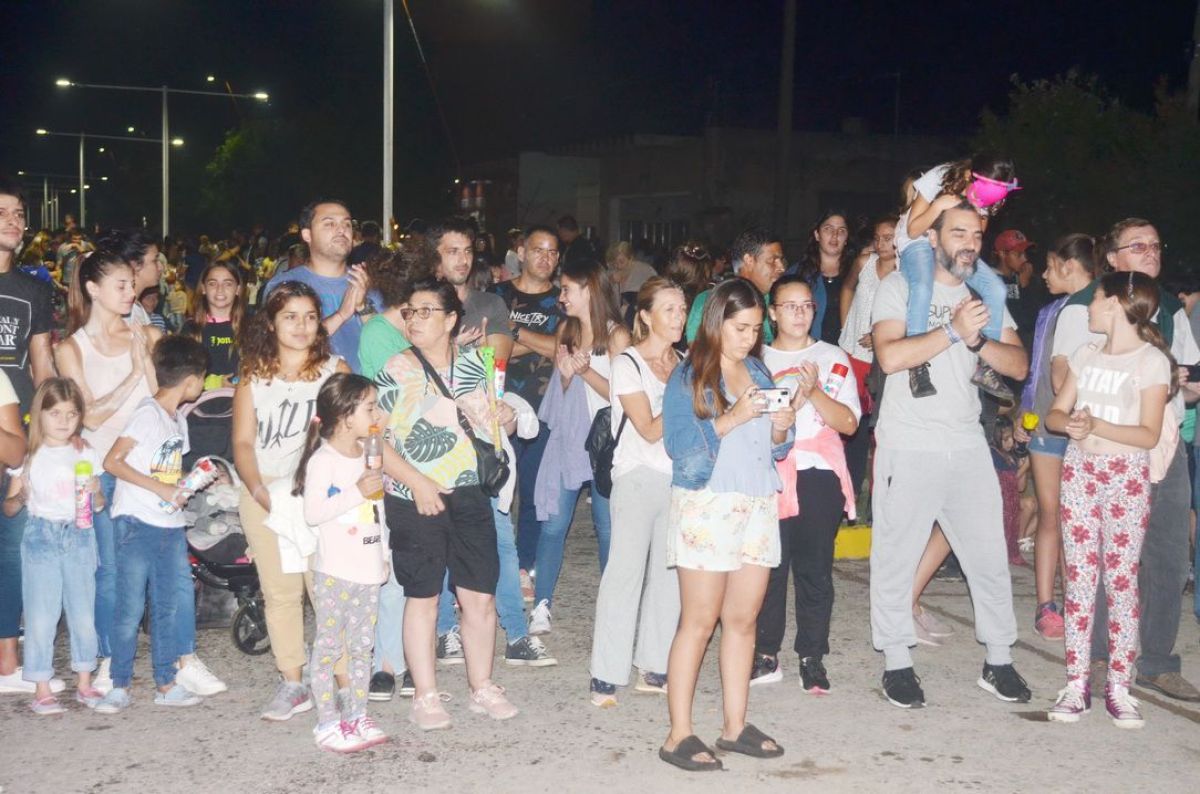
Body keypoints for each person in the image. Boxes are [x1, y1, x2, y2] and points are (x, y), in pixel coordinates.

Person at [869, 199, 1030, 709]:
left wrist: (977, 337)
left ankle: (999, 660)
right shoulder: (898, 287)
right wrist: (950, 332)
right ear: (933, 239)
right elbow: (891, 356)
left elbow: (1020, 366)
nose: (969, 243)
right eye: (958, 232)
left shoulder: (984, 295)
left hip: (965, 444)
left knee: (988, 558)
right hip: (908, 442)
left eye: (977, 236)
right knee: (895, 558)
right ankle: (897, 661)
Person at [659, 278, 793, 772]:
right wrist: (733, 418)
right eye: (740, 327)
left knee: (743, 620)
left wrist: (781, 424)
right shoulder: (691, 374)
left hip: (756, 503)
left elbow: (777, 446)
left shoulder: (757, 368)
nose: (748, 337)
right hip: (708, 504)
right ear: (717, 322)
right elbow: (680, 448)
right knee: (698, 621)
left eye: (756, 328)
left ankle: (735, 726)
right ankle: (678, 734)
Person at [375, 278, 519, 729]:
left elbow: (494, 429)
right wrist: (417, 483)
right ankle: (426, 694)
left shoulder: (479, 363)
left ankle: (481, 686)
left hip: (470, 491)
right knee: (423, 597)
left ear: (451, 319)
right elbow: (375, 441)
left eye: (425, 311)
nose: (414, 320)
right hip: (414, 496)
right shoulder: (395, 370)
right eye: (410, 312)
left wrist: (507, 420)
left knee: (479, 596)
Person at [1072, 219, 1200, 703]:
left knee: (1167, 559)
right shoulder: (1093, 308)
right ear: (1112, 258)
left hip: (1164, 447)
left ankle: (1158, 662)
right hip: (1110, 454)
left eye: (1155, 245)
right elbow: (1072, 378)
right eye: (1138, 246)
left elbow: (1190, 387)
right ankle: (1102, 656)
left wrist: (1182, 381)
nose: (1151, 252)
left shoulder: (1173, 310)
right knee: (1109, 560)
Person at [1044, 271, 1173, 728]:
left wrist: (1096, 425)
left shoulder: (1151, 361)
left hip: (1126, 477)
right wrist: (1073, 425)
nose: (1089, 308)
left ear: (1117, 303)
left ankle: (1120, 685)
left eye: (1096, 299)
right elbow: (1056, 415)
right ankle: (1076, 683)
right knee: (1079, 579)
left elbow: (1148, 433)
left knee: (1120, 581)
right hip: (1080, 470)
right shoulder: (1087, 353)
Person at [426, 218, 555, 668]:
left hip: (481, 441)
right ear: (435, 256)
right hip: (430, 441)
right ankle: (445, 632)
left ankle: (517, 636)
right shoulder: (419, 305)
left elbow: (493, 367)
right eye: (451, 251)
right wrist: (451, 347)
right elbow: (411, 372)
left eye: (466, 251)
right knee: (438, 538)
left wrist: (458, 356)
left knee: (499, 537)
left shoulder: (489, 304)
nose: (461, 259)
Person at [232, 280, 350, 721]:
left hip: (321, 495)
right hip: (266, 492)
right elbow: (243, 443)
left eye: (309, 316)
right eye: (290, 317)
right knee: (280, 593)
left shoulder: (334, 371)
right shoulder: (253, 375)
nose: (301, 327)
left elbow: (350, 434)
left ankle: (343, 683)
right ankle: (293, 682)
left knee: (327, 591)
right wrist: (262, 493)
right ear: (272, 322)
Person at [55, 249, 163, 694]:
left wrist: (145, 361)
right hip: (98, 469)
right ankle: (106, 657)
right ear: (93, 289)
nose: (130, 292)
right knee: (109, 569)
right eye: (121, 284)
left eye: (132, 284)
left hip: (148, 465)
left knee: (155, 564)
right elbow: (91, 417)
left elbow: (160, 398)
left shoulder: (148, 335)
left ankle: (169, 659)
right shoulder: (70, 348)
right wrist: (133, 371)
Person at [750, 275, 860, 693]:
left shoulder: (833, 357)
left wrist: (812, 393)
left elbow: (849, 422)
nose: (799, 313)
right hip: (769, 471)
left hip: (818, 473)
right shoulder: (756, 358)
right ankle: (765, 653)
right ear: (772, 311)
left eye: (806, 305)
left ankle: (812, 656)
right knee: (769, 568)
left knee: (815, 570)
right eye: (789, 305)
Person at [94, 335, 209, 714]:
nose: (202, 386)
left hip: (168, 524)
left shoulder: (176, 420)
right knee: (129, 609)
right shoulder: (148, 413)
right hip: (138, 523)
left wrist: (189, 484)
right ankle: (119, 684)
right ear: (191, 379)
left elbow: (168, 469)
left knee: (166, 607)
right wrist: (159, 487)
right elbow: (112, 461)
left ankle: (165, 682)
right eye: (202, 379)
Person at [588, 278, 685, 706]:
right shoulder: (627, 363)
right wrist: (689, 399)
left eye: (682, 309)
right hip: (637, 476)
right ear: (644, 316)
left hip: (679, 478)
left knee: (669, 577)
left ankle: (654, 664)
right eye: (668, 309)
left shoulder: (684, 362)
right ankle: (605, 672)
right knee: (624, 575)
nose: (679, 317)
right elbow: (646, 429)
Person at [530, 258, 629, 637]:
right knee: (554, 524)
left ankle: (613, 606)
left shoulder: (617, 336)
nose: (561, 297)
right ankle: (541, 604)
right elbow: (559, 399)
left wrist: (585, 371)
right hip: (570, 439)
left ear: (589, 289)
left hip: (604, 443)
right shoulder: (567, 330)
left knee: (607, 527)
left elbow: (624, 397)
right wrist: (568, 377)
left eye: (567, 289)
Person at [294, 373, 390, 752]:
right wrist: (356, 491)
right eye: (370, 407)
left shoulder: (370, 453)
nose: (378, 413)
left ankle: (357, 714)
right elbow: (314, 513)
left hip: (367, 570)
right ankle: (327, 720)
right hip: (335, 573)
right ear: (347, 416)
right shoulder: (324, 460)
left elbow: (378, 510)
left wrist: (384, 553)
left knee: (363, 647)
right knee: (329, 647)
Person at [3, 378, 98, 713]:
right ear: (39, 414)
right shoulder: (30, 455)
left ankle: (85, 681)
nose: (63, 421)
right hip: (41, 536)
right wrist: (21, 495)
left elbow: (97, 504)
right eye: (55, 413)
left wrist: (95, 492)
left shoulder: (84, 451)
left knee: (83, 611)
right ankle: (41, 686)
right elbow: (10, 508)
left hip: (79, 534)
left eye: (71, 414)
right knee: (42, 615)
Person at [1020, 234, 1098, 640]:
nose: (1045, 275)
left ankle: (1078, 601)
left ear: (1070, 265)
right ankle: (1046, 605)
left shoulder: (1103, 305)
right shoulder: (1052, 310)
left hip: (1092, 430)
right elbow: (1040, 373)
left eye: (1050, 267)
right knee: (1053, 515)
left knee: (1079, 520)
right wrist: (1026, 417)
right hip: (1050, 428)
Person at [895, 155, 1018, 401]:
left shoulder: (987, 196)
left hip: (951, 244)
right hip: (918, 241)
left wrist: (975, 211)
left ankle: (985, 368)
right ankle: (917, 366)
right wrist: (940, 205)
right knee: (922, 285)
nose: (985, 201)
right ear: (968, 176)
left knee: (996, 289)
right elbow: (913, 228)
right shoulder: (940, 177)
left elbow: (975, 235)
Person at [0, 178, 56, 695]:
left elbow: (41, 368)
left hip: (14, 439)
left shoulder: (34, 290)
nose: (15, 221)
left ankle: (8, 666)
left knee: (13, 549)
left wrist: (46, 438)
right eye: (4, 212)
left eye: (19, 214)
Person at [491, 225, 564, 601]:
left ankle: (524, 566)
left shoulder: (562, 300)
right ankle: (493, 565)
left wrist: (514, 334)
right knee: (496, 490)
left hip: (546, 410)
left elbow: (564, 348)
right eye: (538, 250)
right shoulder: (496, 296)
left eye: (552, 252)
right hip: (496, 408)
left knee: (536, 493)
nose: (545, 258)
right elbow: (491, 348)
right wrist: (539, 345)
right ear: (520, 251)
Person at [262, 199, 380, 374]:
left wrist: (364, 308)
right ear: (307, 235)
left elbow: (384, 346)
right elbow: (277, 348)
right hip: (308, 392)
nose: (342, 230)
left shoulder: (367, 282)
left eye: (347, 224)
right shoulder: (285, 285)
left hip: (363, 392)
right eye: (329, 224)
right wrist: (341, 315)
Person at [838, 216, 898, 496]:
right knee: (848, 423)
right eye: (878, 237)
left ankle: (878, 496)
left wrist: (879, 337)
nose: (882, 243)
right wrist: (846, 323)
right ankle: (846, 488)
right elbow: (847, 287)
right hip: (852, 354)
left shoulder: (907, 270)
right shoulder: (864, 263)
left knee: (879, 429)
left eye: (889, 237)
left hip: (882, 361)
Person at [685, 228, 784, 345]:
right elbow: (699, 357)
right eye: (772, 260)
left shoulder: (778, 300)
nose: (781, 268)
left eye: (781, 260)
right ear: (749, 260)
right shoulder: (708, 302)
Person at [182, 261, 244, 390]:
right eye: (212, 283)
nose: (220, 289)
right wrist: (214, 383)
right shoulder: (191, 329)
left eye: (227, 283)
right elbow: (180, 377)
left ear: (238, 289)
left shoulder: (251, 327)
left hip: (241, 404)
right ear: (203, 288)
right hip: (201, 406)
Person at [794, 211, 851, 345]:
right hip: (808, 351)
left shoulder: (858, 273)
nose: (835, 235)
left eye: (841, 231)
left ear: (847, 238)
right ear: (817, 235)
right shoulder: (798, 274)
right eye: (828, 229)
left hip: (849, 354)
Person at [992, 229, 1046, 351]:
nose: (1024, 259)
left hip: (1026, 347)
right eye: (1018, 254)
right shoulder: (991, 281)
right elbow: (1021, 322)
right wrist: (1024, 287)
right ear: (1002, 254)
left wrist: (1026, 285)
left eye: (1025, 254)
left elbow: (1035, 319)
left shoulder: (1024, 277)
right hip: (1006, 348)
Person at [989, 415, 1029, 567]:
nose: (1010, 442)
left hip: (1011, 503)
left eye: (1012, 437)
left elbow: (1020, 487)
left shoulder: (1011, 454)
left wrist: (1023, 464)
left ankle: (1014, 548)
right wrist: (1025, 467)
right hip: (998, 503)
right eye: (1005, 439)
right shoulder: (992, 453)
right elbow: (1007, 480)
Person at [607, 240, 657, 315]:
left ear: (630, 258)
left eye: (621, 262)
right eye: (614, 262)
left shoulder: (645, 271)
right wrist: (610, 281)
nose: (618, 266)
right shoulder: (609, 273)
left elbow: (657, 294)